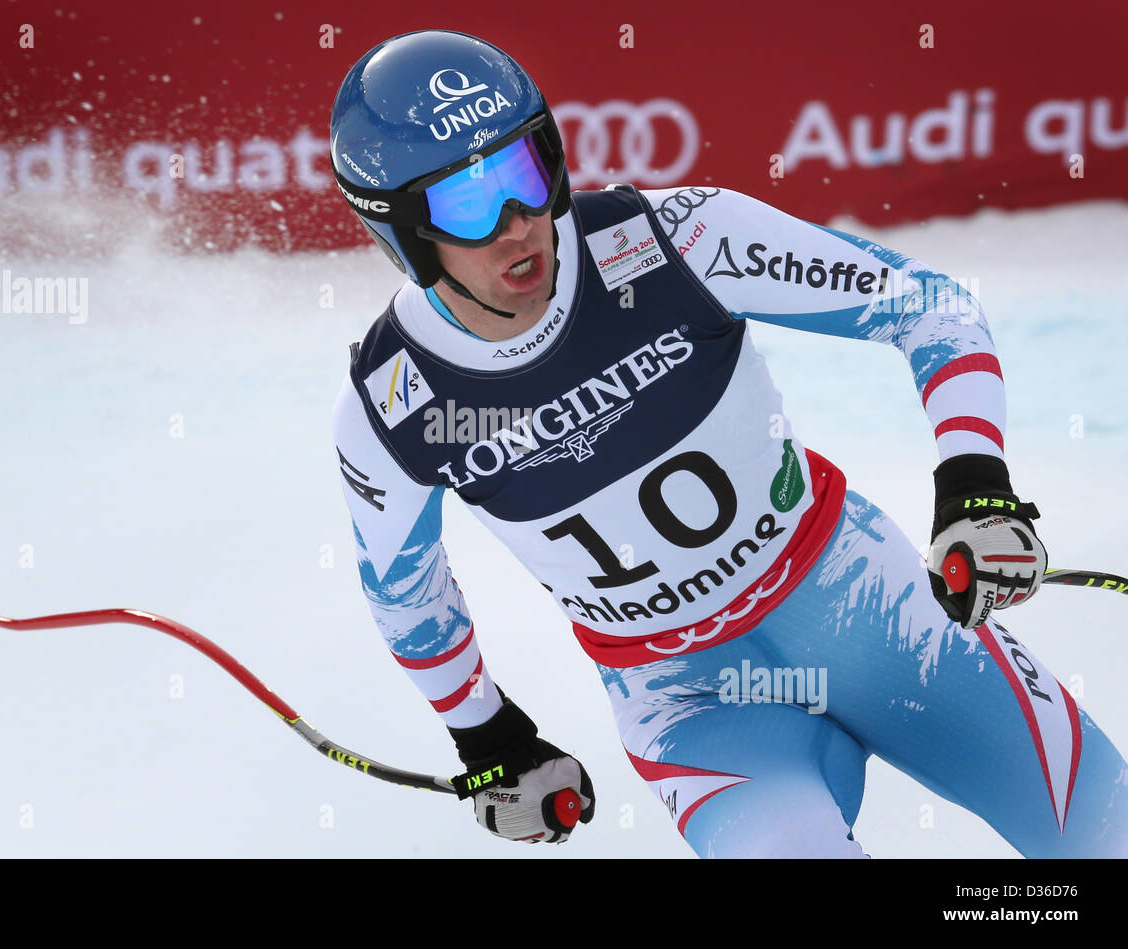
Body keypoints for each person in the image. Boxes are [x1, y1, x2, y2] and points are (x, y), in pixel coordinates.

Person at [327, 29, 1127, 857]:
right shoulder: (393, 405)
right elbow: (404, 593)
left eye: (525, 173)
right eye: (466, 204)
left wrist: (975, 481)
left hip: (868, 606)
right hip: (691, 704)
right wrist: (489, 739)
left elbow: (928, 306)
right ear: (401, 232)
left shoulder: (676, 238)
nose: (517, 225)